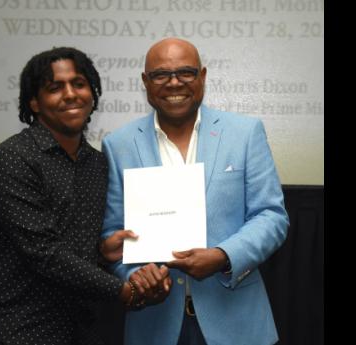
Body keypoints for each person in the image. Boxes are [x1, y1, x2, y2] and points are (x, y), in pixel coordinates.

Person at [0, 46, 170, 345]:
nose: (70, 94)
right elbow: (45, 254)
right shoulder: (13, 159)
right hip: (19, 329)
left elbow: (76, 246)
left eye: (78, 84)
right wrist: (127, 291)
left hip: (83, 329)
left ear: (92, 93)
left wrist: (104, 252)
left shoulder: (97, 164)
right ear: (34, 103)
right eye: (55, 88)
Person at [100, 38, 290, 345]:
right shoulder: (118, 144)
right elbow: (112, 233)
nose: (174, 83)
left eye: (185, 72)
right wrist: (133, 275)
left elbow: (271, 216)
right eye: (161, 75)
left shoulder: (245, 132)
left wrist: (223, 256)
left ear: (202, 76)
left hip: (236, 321)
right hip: (154, 325)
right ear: (145, 83)